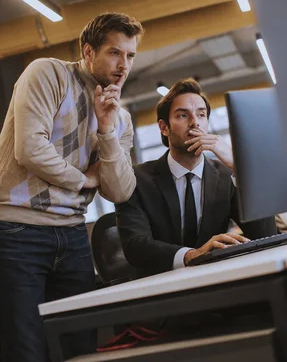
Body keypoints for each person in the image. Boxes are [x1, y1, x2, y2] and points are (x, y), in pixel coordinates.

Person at [0, 12, 144, 361]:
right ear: (88, 52)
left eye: (130, 55)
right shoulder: (48, 73)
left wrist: (106, 131)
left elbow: (119, 191)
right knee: (28, 350)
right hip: (15, 230)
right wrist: (83, 179)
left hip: (71, 234)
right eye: (115, 53)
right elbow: (30, 149)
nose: (123, 65)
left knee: (80, 348)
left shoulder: (122, 118)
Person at [116, 78, 277, 276]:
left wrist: (239, 167)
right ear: (164, 127)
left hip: (218, 278)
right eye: (183, 115)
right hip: (161, 284)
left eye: (201, 114)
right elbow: (135, 247)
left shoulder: (227, 176)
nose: (195, 123)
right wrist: (191, 255)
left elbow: (265, 234)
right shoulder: (136, 179)